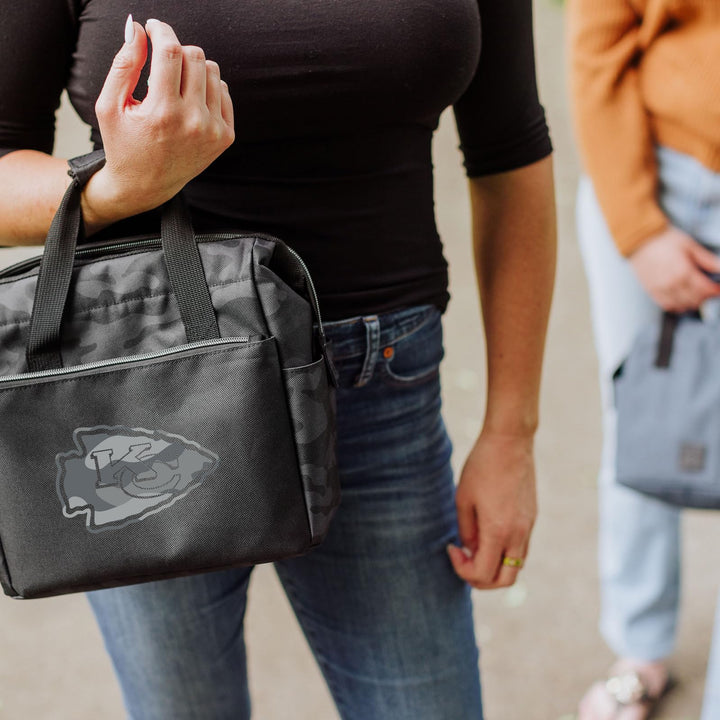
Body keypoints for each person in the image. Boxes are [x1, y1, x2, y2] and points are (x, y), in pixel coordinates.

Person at [0, 3, 555, 718]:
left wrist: (512, 433)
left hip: (378, 388)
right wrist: (111, 190)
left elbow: (512, 153)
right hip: (140, 395)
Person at [568, 1, 720, 718]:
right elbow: (596, 49)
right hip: (659, 172)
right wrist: (639, 227)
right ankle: (641, 649)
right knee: (638, 424)